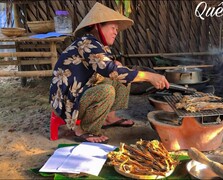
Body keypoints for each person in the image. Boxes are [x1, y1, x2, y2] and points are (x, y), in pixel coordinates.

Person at [49, 2, 169, 143]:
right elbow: (112, 71)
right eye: (112, 28)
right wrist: (148, 76)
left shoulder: (99, 46)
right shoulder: (87, 43)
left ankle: (110, 117)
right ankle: (85, 130)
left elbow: (110, 68)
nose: (116, 32)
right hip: (67, 101)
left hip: (79, 91)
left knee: (123, 76)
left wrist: (117, 67)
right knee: (107, 90)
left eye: (116, 29)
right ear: (97, 26)